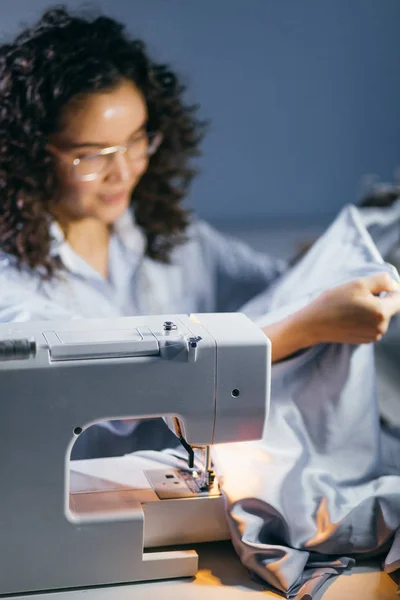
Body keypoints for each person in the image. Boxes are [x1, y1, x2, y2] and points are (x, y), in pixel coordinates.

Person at [1, 6, 400, 458]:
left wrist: (342, 253)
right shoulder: (11, 288)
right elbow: (119, 389)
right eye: (92, 155)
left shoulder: (167, 236)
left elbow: (276, 285)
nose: (124, 171)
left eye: (136, 141)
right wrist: (307, 327)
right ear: (27, 153)